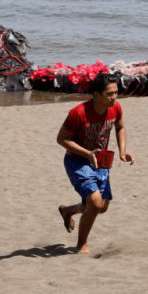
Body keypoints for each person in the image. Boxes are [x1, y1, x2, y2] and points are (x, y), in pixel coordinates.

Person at [56, 73, 134, 254]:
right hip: (77, 161)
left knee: (101, 207)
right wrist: (87, 153)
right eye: (109, 94)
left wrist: (123, 151)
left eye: (116, 92)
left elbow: (120, 127)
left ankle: (68, 211)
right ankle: (81, 244)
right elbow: (61, 139)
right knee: (95, 203)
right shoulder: (78, 113)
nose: (114, 97)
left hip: (101, 162)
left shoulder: (116, 108)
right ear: (96, 94)